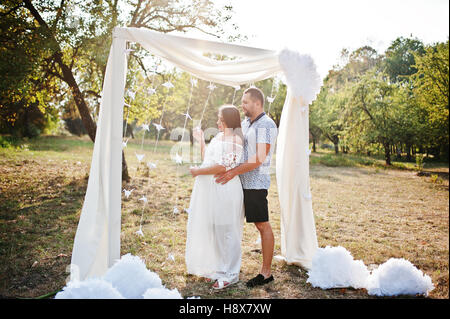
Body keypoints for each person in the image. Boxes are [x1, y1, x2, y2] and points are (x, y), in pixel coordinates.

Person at [215, 87, 278, 288]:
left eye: (245, 102)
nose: (242, 106)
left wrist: (233, 171)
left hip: (255, 185)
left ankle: (266, 273)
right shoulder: (244, 123)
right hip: (237, 183)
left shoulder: (267, 125)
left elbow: (259, 158)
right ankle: (224, 267)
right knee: (229, 225)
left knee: (261, 225)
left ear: (257, 103)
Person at [185, 104, 245, 290]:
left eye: (220, 118)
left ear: (228, 120)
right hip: (214, 190)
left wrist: (198, 171)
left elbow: (223, 167)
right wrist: (202, 141)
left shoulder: (236, 139)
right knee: (216, 229)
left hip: (227, 189)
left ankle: (230, 273)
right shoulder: (219, 136)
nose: (218, 122)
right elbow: (209, 158)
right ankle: (219, 268)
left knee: (228, 230)